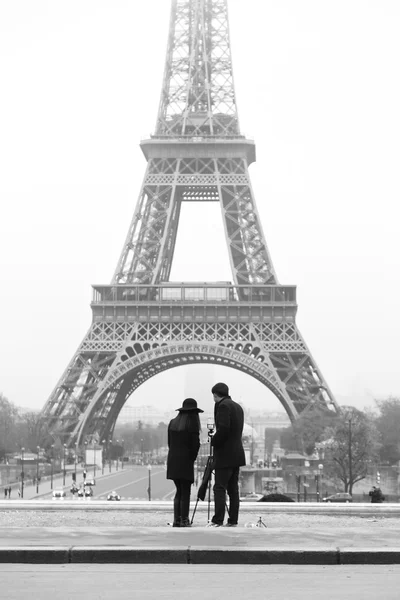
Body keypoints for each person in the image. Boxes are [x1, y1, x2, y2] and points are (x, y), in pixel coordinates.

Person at [208, 382, 245, 527]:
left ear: (216, 395)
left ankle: (218, 520)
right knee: (233, 490)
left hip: (225, 454)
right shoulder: (238, 407)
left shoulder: (223, 406)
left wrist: (213, 440)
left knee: (219, 488)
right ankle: (233, 520)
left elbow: (223, 430)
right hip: (237, 454)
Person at [166, 397, 203, 527]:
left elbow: (170, 443)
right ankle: (184, 520)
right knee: (185, 492)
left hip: (173, 460)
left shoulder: (172, 423)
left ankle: (177, 520)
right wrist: (191, 459)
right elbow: (195, 446)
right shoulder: (192, 424)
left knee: (179, 491)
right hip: (185, 461)